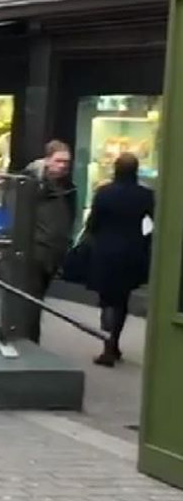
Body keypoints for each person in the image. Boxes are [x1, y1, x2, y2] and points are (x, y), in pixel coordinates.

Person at [84, 152, 154, 366]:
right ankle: (112, 342)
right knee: (122, 298)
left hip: (105, 249)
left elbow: (93, 223)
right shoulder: (145, 195)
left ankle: (107, 331)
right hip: (132, 250)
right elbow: (154, 221)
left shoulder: (104, 192)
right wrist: (145, 240)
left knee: (107, 293)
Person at [22, 140, 77, 343]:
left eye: (66, 162)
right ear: (47, 160)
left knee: (37, 297)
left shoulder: (68, 187)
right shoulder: (32, 182)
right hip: (36, 249)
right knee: (32, 298)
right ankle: (30, 338)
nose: (62, 166)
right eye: (58, 161)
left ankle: (30, 337)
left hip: (53, 251)